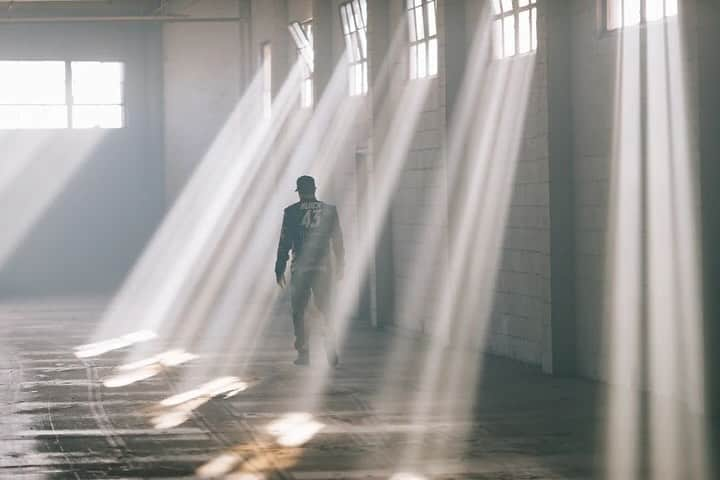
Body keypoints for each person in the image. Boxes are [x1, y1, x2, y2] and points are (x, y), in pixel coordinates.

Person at [275, 176, 344, 366]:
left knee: (299, 310)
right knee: (326, 309)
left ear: (299, 191)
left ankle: (304, 353)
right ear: (314, 189)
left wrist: (279, 266)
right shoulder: (330, 211)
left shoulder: (291, 212)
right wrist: (341, 264)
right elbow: (338, 240)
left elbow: (285, 242)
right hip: (323, 267)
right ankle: (331, 348)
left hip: (301, 268)